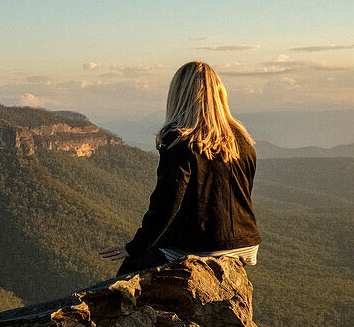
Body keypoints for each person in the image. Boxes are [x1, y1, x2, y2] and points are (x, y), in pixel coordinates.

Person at [99, 61, 261, 276]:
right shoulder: (241, 138)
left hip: (204, 247)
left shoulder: (178, 140)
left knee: (129, 274)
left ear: (178, 94)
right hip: (246, 243)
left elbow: (167, 202)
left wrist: (135, 247)